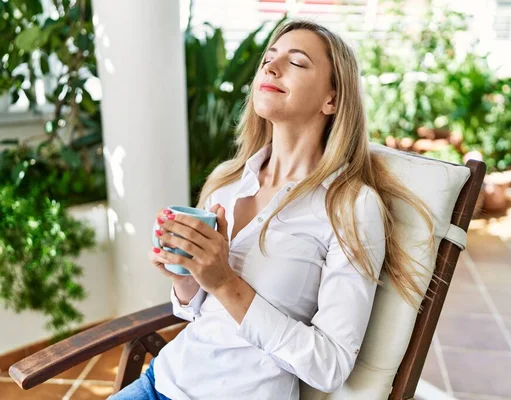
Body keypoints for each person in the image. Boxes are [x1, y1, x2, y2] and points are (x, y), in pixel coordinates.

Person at [109, 19, 432, 400]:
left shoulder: (350, 208)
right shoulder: (226, 182)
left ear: (332, 99)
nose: (271, 68)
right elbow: (199, 313)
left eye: (296, 63)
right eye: (270, 59)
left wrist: (225, 282)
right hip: (160, 383)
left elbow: (330, 366)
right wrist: (187, 279)